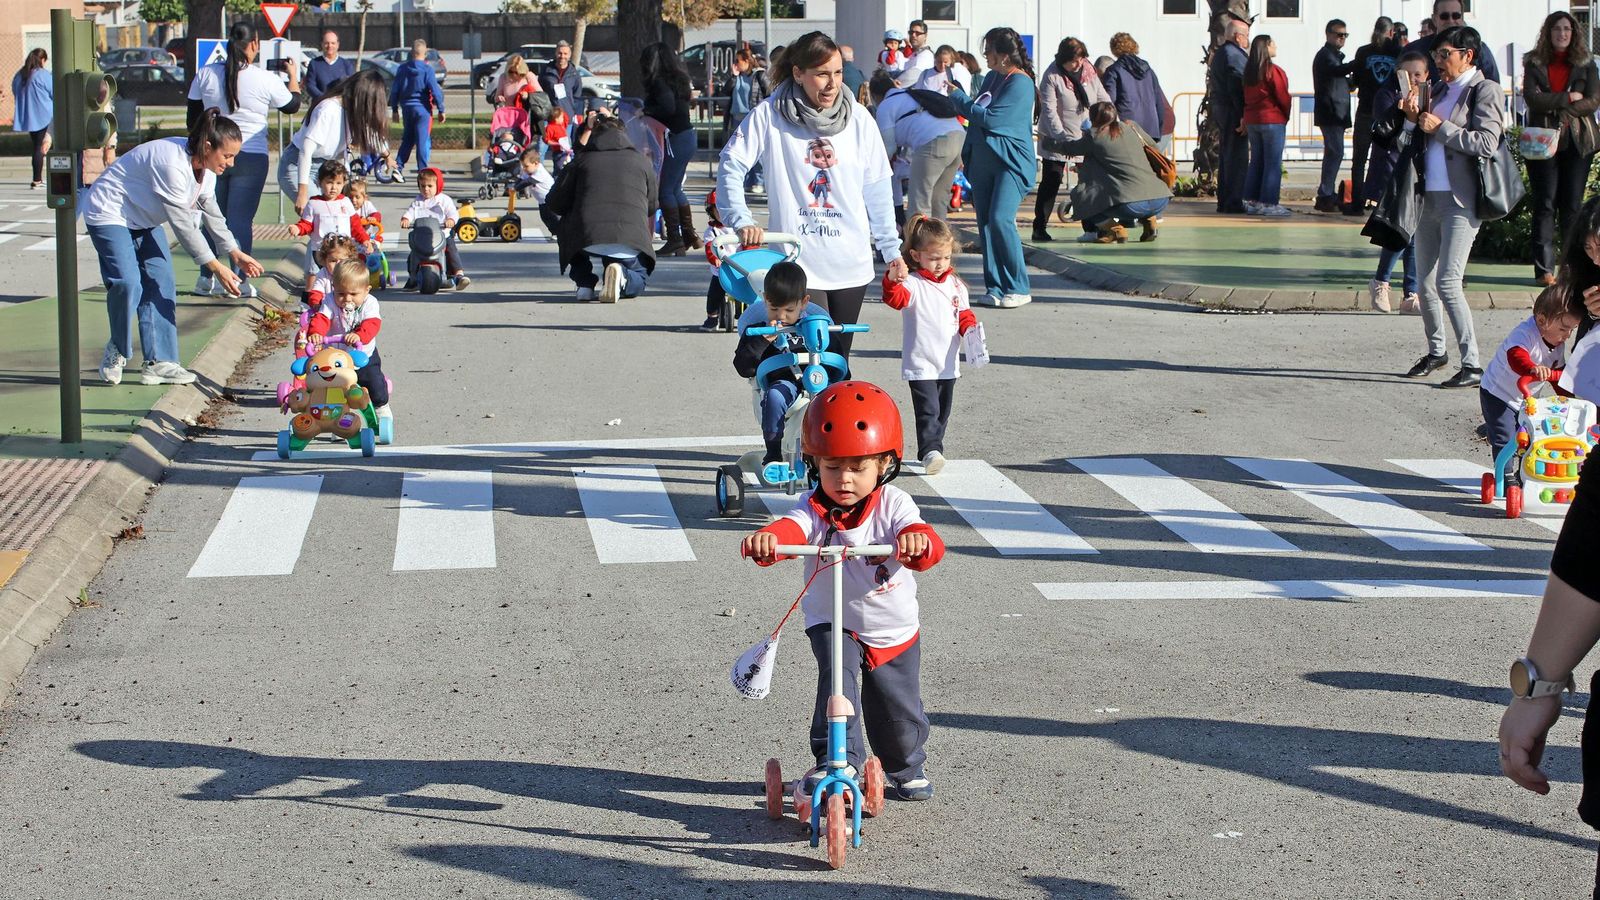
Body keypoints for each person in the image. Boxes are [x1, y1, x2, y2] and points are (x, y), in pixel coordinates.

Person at [741, 380, 945, 802]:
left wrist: (917, 544)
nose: (845, 479)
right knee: (837, 686)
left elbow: (924, 540)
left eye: (857, 467)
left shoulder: (894, 504)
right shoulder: (813, 506)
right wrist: (770, 540)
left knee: (897, 709)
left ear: (885, 464)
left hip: (893, 627)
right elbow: (793, 528)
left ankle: (906, 766)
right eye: (833, 467)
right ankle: (837, 761)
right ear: (816, 465)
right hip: (832, 620)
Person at [717, 30, 905, 359]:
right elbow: (731, 164)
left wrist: (891, 249)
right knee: (807, 364)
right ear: (798, 73)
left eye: (837, 73)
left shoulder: (859, 118)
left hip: (850, 262)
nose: (832, 84)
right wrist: (740, 219)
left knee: (837, 364)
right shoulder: (770, 114)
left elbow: (877, 188)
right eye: (821, 74)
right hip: (798, 262)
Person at [83, 110, 263, 386]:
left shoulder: (207, 170)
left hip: (143, 217)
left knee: (161, 279)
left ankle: (160, 362)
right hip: (110, 212)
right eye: (227, 155)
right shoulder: (172, 164)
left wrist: (234, 251)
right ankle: (118, 347)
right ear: (207, 146)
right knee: (129, 283)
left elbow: (212, 213)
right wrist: (216, 268)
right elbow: (183, 226)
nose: (231, 162)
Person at [1400, 25, 1502, 388]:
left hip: (1462, 200)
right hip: (1430, 196)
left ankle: (1473, 364)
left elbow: (1487, 142)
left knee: (1447, 281)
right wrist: (1413, 120)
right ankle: (1437, 351)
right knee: (1422, 281)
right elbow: (1419, 134)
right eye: (1437, 55)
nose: (1438, 61)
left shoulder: (1484, 90)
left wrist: (1440, 128)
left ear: (1467, 55)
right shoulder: (1439, 88)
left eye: (1445, 54)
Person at [188, 22, 300, 297]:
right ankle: (239, 281)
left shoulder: (205, 74)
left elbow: (192, 118)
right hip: (250, 155)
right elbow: (292, 106)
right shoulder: (265, 79)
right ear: (254, 45)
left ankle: (206, 278)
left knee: (211, 217)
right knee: (239, 220)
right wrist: (293, 76)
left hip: (212, 153)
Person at [949, 27, 1037, 309]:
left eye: (988, 49)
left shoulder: (1020, 83)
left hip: (1010, 161)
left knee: (1000, 219)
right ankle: (996, 287)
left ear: (1002, 54)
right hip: (983, 161)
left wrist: (960, 100)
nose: (984, 55)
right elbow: (979, 112)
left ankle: (1018, 286)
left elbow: (994, 119)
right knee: (986, 224)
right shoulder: (991, 77)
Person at [882, 216, 977, 475]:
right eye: (934, 258)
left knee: (942, 412)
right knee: (928, 410)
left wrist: (970, 330)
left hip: (948, 362)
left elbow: (964, 314)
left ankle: (935, 446)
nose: (940, 264)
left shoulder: (956, 284)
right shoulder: (913, 283)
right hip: (921, 361)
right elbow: (895, 299)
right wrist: (891, 279)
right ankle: (930, 450)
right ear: (916, 255)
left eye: (945, 258)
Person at [545, 113, 657, 303]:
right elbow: (652, 205)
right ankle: (623, 276)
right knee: (639, 276)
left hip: (585, 240)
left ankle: (584, 284)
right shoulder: (642, 162)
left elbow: (554, 202)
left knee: (567, 223)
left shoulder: (581, 161)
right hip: (629, 238)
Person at [1524, 11, 1600, 287]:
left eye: (1567, 29)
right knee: (1544, 203)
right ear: (1548, 32)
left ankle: (1571, 268)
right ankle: (1544, 269)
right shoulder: (1533, 61)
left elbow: (1592, 100)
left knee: (1572, 206)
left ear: (1574, 32)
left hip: (1578, 142)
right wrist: (1567, 97)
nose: (1562, 34)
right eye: (1557, 29)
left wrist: (1558, 108)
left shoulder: (1587, 62)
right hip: (1542, 141)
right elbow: (1532, 98)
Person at [731, 261, 832, 462]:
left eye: (789, 310)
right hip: (783, 383)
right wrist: (763, 340)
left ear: (803, 303)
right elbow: (743, 366)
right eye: (774, 308)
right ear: (766, 300)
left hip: (818, 381)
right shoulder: (758, 330)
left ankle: (834, 448)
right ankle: (774, 452)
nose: (781, 316)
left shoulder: (815, 327)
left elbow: (835, 357)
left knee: (840, 397)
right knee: (775, 396)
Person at [1480, 288, 1578, 463]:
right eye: (1563, 329)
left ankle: (1524, 474)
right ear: (1541, 320)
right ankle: (1505, 476)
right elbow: (1516, 356)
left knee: (1532, 438)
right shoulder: (1525, 333)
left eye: (1572, 329)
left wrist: (1572, 400)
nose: (1568, 335)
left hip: (1526, 400)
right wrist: (1532, 368)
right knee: (1506, 438)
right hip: (1498, 394)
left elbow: (1559, 376)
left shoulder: (1558, 344)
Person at [1365, 50, 1429, 314]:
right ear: (1398, 73)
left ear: (1426, 76)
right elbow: (1393, 142)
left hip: (1418, 175)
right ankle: (1382, 281)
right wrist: (1409, 120)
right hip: (1391, 173)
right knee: (1400, 229)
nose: (1413, 80)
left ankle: (1410, 293)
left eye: (1418, 74)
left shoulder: (1429, 99)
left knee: (1413, 234)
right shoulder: (1388, 96)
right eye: (1408, 74)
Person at [279, 70, 388, 220]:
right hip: (297, 166)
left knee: (338, 218)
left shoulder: (351, 112)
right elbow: (306, 150)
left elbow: (371, 134)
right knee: (323, 218)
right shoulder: (328, 109)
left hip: (325, 168)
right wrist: (302, 192)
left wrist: (387, 156)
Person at [1060, 102, 1173, 244]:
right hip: (1161, 199)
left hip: (1131, 205)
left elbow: (1068, 148)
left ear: (1094, 120)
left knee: (1083, 197)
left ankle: (1115, 231)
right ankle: (1150, 222)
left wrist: (1047, 141)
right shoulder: (1132, 127)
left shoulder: (1095, 138)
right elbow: (1153, 146)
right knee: (1136, 191)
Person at [1036, 37, 1110, 243]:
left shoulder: (1089, 70)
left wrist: (1109, 120)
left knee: (1088, 182)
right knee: (1052, 180)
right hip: (1057, 137)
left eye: (1081, 59)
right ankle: (1039, 226)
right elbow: (1049, 110)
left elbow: (1103, 97)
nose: (1078, 64)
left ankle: (1091, 228)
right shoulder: (1052, 75)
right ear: (1063, 59)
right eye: (1073, 61)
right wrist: (1062, 139)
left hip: (1084, 135)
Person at [870, 71, 965, 226]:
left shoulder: (886, 105)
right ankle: (940, 244)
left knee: (920, 200)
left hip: (933, 142)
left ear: (875, 95)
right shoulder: (911, 96)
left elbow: (888, 148)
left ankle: (919, 244)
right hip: (959, 137)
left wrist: (874, 173)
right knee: (939, 199)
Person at [305, 258, 391, 425]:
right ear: (334, 288)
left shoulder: (370, 303)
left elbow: (372, 323)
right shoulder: (330, 301)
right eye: (341, 294)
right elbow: (322, 318)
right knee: (332, 389)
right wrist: (316, 333)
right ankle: (335, 418)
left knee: (373, 382)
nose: (347, 299)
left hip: (362, 354)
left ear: (366, 290)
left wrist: (359, 335)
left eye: (353, 294)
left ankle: (382, 408)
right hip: (335, 358)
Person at [641, 42, 699, 257]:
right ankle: (689, 234)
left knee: (665, 189)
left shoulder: (659, 82)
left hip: (675, 137)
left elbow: (667, 108)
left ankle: (675, 239)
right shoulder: (679, 80)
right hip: (686, 135)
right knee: (675, 188)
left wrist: (646, 110)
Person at [291, 159, 373, 292]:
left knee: (344, 275)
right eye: (329, 182)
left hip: (343, 250)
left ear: (343, 184)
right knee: (314, 275)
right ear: (320, 182)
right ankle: (308, 303)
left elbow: (355, 225)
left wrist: (365, 240)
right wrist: (298, 228)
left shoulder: (346, 202)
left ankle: (342, 299)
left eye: (338, 183)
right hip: (319, 250)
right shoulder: (314, 203)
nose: (334, 187)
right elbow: (306, 224)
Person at [1350, 17, 1398, 213]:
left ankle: (1356, 203)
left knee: (1359, 159)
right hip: (1388, 112)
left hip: (1365, 110)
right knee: (1386, 157)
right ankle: (1383, 200)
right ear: (1391, 32)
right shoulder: (1397, 52)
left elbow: (1357, 79)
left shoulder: (1363, 52)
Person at [1242, 34, 1291, 217]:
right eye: (1273, 43)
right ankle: (1269, 203)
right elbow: (1282, 95)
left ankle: (1251, 200)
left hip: (1253, 119)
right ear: (1267, 47)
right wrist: (1285, 115)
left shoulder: (1250, 72)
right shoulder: (1273, 70)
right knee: (1272, 163)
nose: (1275, 46)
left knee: (1256, 161)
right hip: (1272, 118)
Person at [1102, 33, 1171, 163]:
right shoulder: (1148, 70)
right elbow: (1158, 102)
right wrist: (1158, 128)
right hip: (1151, 127)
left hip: (1127, 127)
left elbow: (1109, 102)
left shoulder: (1113, 71)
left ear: (1114, 49)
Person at [398, 168, 469, 290]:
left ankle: (458, 275)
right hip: (422, 237)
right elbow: (410, 212)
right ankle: (413, 277)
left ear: (438, 185)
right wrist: (406, 219)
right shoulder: (418, 201)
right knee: (413, 255)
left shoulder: (443, 200)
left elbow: (453, 212)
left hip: (441, 235)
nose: (426, 189)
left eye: (430, 186)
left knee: (451, 251)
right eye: (423, 186)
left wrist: (451, 220)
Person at [1208, 17, 1250, 215]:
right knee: (1236, 158)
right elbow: (1236, 84)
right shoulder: (1233, 55)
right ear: (1238, 36)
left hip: (1222, 108)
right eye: (1246, 36)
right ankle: (1233, 201)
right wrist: (1243, 114)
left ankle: (1225, 200)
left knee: (1228, 156)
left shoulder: (1222, 53)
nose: (1248, 40)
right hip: (1232, 110)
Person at [1312, 19, 1355, 213]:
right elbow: (1337, 71)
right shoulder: (1325, 56)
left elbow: (1341, 78)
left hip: (1336, 112)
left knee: (1334, 152)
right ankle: (1325, 194)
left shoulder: (1334, 57)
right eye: (1339, 35)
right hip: (1330, 112)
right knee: (1335, 152)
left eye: (1345, 35)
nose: (1342, 38)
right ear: (1328, 34)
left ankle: (1326, 193)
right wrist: (1359, 62)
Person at [389, 40, 444, 175]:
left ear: (411, 53)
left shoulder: (402, 69)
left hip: (407, 109)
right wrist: (441, 109)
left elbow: (395, 90)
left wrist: (395, 109)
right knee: (422, 141)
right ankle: (423, 172)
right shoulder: (427, 70)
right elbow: (435, 90)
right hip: (423, 109)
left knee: (408, 138)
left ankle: (398, 167)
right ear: (425, 53)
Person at [1413, 0, 1499, 86]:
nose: (1451, 21)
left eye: (1456, 16)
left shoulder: (1480, 50)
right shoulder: (1416, 50)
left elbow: (1493, 86)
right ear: (1434, 19)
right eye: (1444, 16)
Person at [720, 49, 769, 193]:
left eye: (738, 61)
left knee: (757, 150)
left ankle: (758, 181)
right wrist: (733, 77)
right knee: (739, 150)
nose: (735, 64)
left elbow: (768, 92)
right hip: (737, 117)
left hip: (752, 117)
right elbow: (726, 91)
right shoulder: (737, 77)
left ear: (747, 62)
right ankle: (746, 180)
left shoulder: (758, 75)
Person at [700, 189, 743, 332]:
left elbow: (750, 244)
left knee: (749, 291)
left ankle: (747, 315)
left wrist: (750, 252)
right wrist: (715, 258)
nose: (723, 214)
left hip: (740, 269)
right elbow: (709, 247)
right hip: (721, 270)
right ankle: (712, 318)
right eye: (718, 210)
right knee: (714, 294)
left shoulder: (740, 228)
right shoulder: (712, 231)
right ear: (711, 211)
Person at [11, 48, 50, 191]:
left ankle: (37, 178)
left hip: (29, 117)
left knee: (36, 147)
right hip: (45, 116)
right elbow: (54, 91)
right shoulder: (42, 75)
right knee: (42, 147)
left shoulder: (21, 75)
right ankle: (37, 180)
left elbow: (14, 90)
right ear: (42, 60)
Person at [539, 40, 584, 126]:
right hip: (549, 117)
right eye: (560, 53)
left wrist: (577, 115)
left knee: (565, 139)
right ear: (556, 54)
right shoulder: (546, 71)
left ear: (569, 55)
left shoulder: (574, 74)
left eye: (565, 54)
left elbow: (577, 97)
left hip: (567, 118)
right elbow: (540, 92)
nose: (562, 56)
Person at [305, 30, 353, 104]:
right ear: (322, 44)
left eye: (333, 43)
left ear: (338, 44)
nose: (330, 46)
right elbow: (310, 86)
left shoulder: (346, 64)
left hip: (341, 107)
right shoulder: (314, 64)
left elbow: (350, 87)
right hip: (320, 106)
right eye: (326, 43)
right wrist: (325, 99)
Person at [895, 20, 935, 88]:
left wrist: (891, 85)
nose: (913, 35)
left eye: (917, 33)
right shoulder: (911, 53)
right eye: (911, 32)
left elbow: (914, 75)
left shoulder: (926, 54)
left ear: (925, 36)